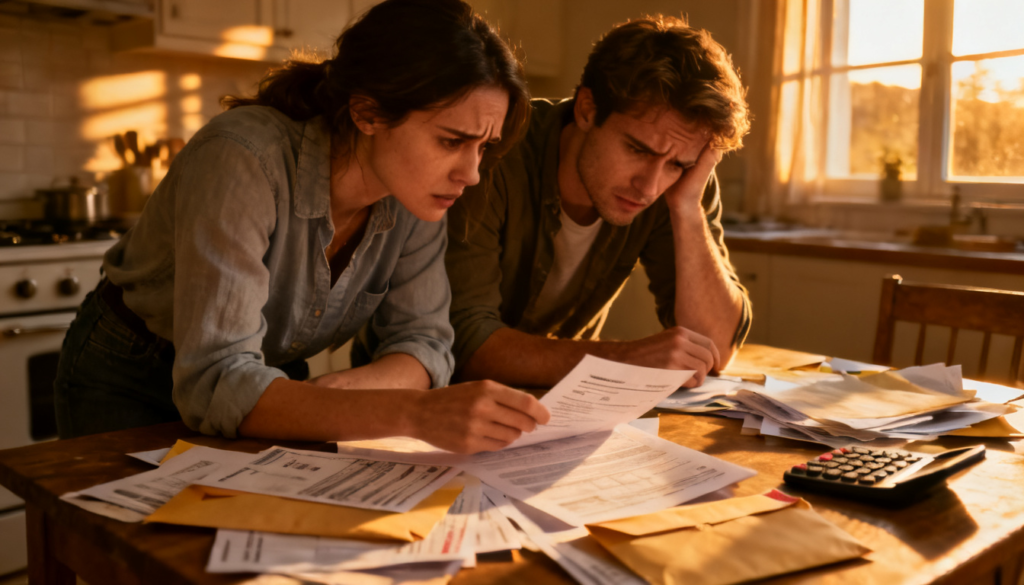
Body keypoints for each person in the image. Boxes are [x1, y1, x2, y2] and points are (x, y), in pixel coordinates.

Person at [53, 0, 549, 454]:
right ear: (367, 112)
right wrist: (415, 411)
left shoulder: (417, 197)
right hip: (133, 375)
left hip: (270, 385)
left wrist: (339, 393)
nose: (472, 174)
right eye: (450, 141)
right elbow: (216, 381)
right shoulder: (243, 160)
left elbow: (425, 344)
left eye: (483, 147)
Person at [443, 15, 752, 389]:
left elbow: (715, 348)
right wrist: (624, 360)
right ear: (587, 109)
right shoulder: (494, 154)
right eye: (637, 149)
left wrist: (687, 208)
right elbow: (466, 345)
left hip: (560, 408)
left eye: (675, 164)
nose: (649, 186)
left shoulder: (681, 182)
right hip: (437, 407)